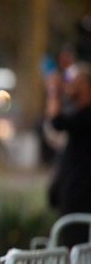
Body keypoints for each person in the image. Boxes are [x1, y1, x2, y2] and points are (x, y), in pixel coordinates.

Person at [46, 62, 91, 247]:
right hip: (74, 194)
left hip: (81, 196)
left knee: (76, 245)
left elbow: (56, 122)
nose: (68, 84)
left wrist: (54, 92)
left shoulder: (86, 115)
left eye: (74, 80)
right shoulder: (79, 114)